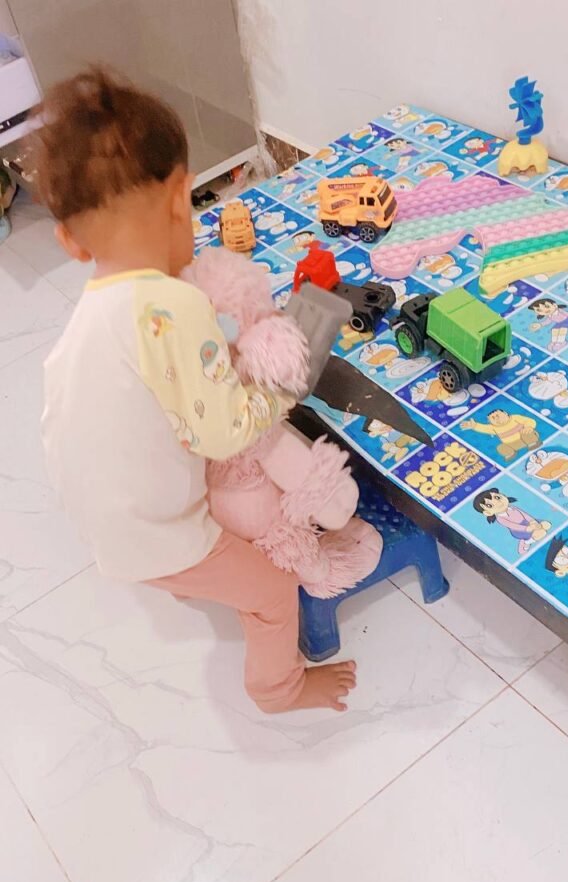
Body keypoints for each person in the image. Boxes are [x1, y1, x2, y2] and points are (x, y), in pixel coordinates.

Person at [38, 67, 356, 713]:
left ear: (69, 242)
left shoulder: (94, 310)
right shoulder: (173, 306)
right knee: (270, 589)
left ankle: (187, 580)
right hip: (155, 532)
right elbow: (225, 431)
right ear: (183, 197)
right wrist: (278, 385)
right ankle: (279, 689)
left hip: (100, 516)